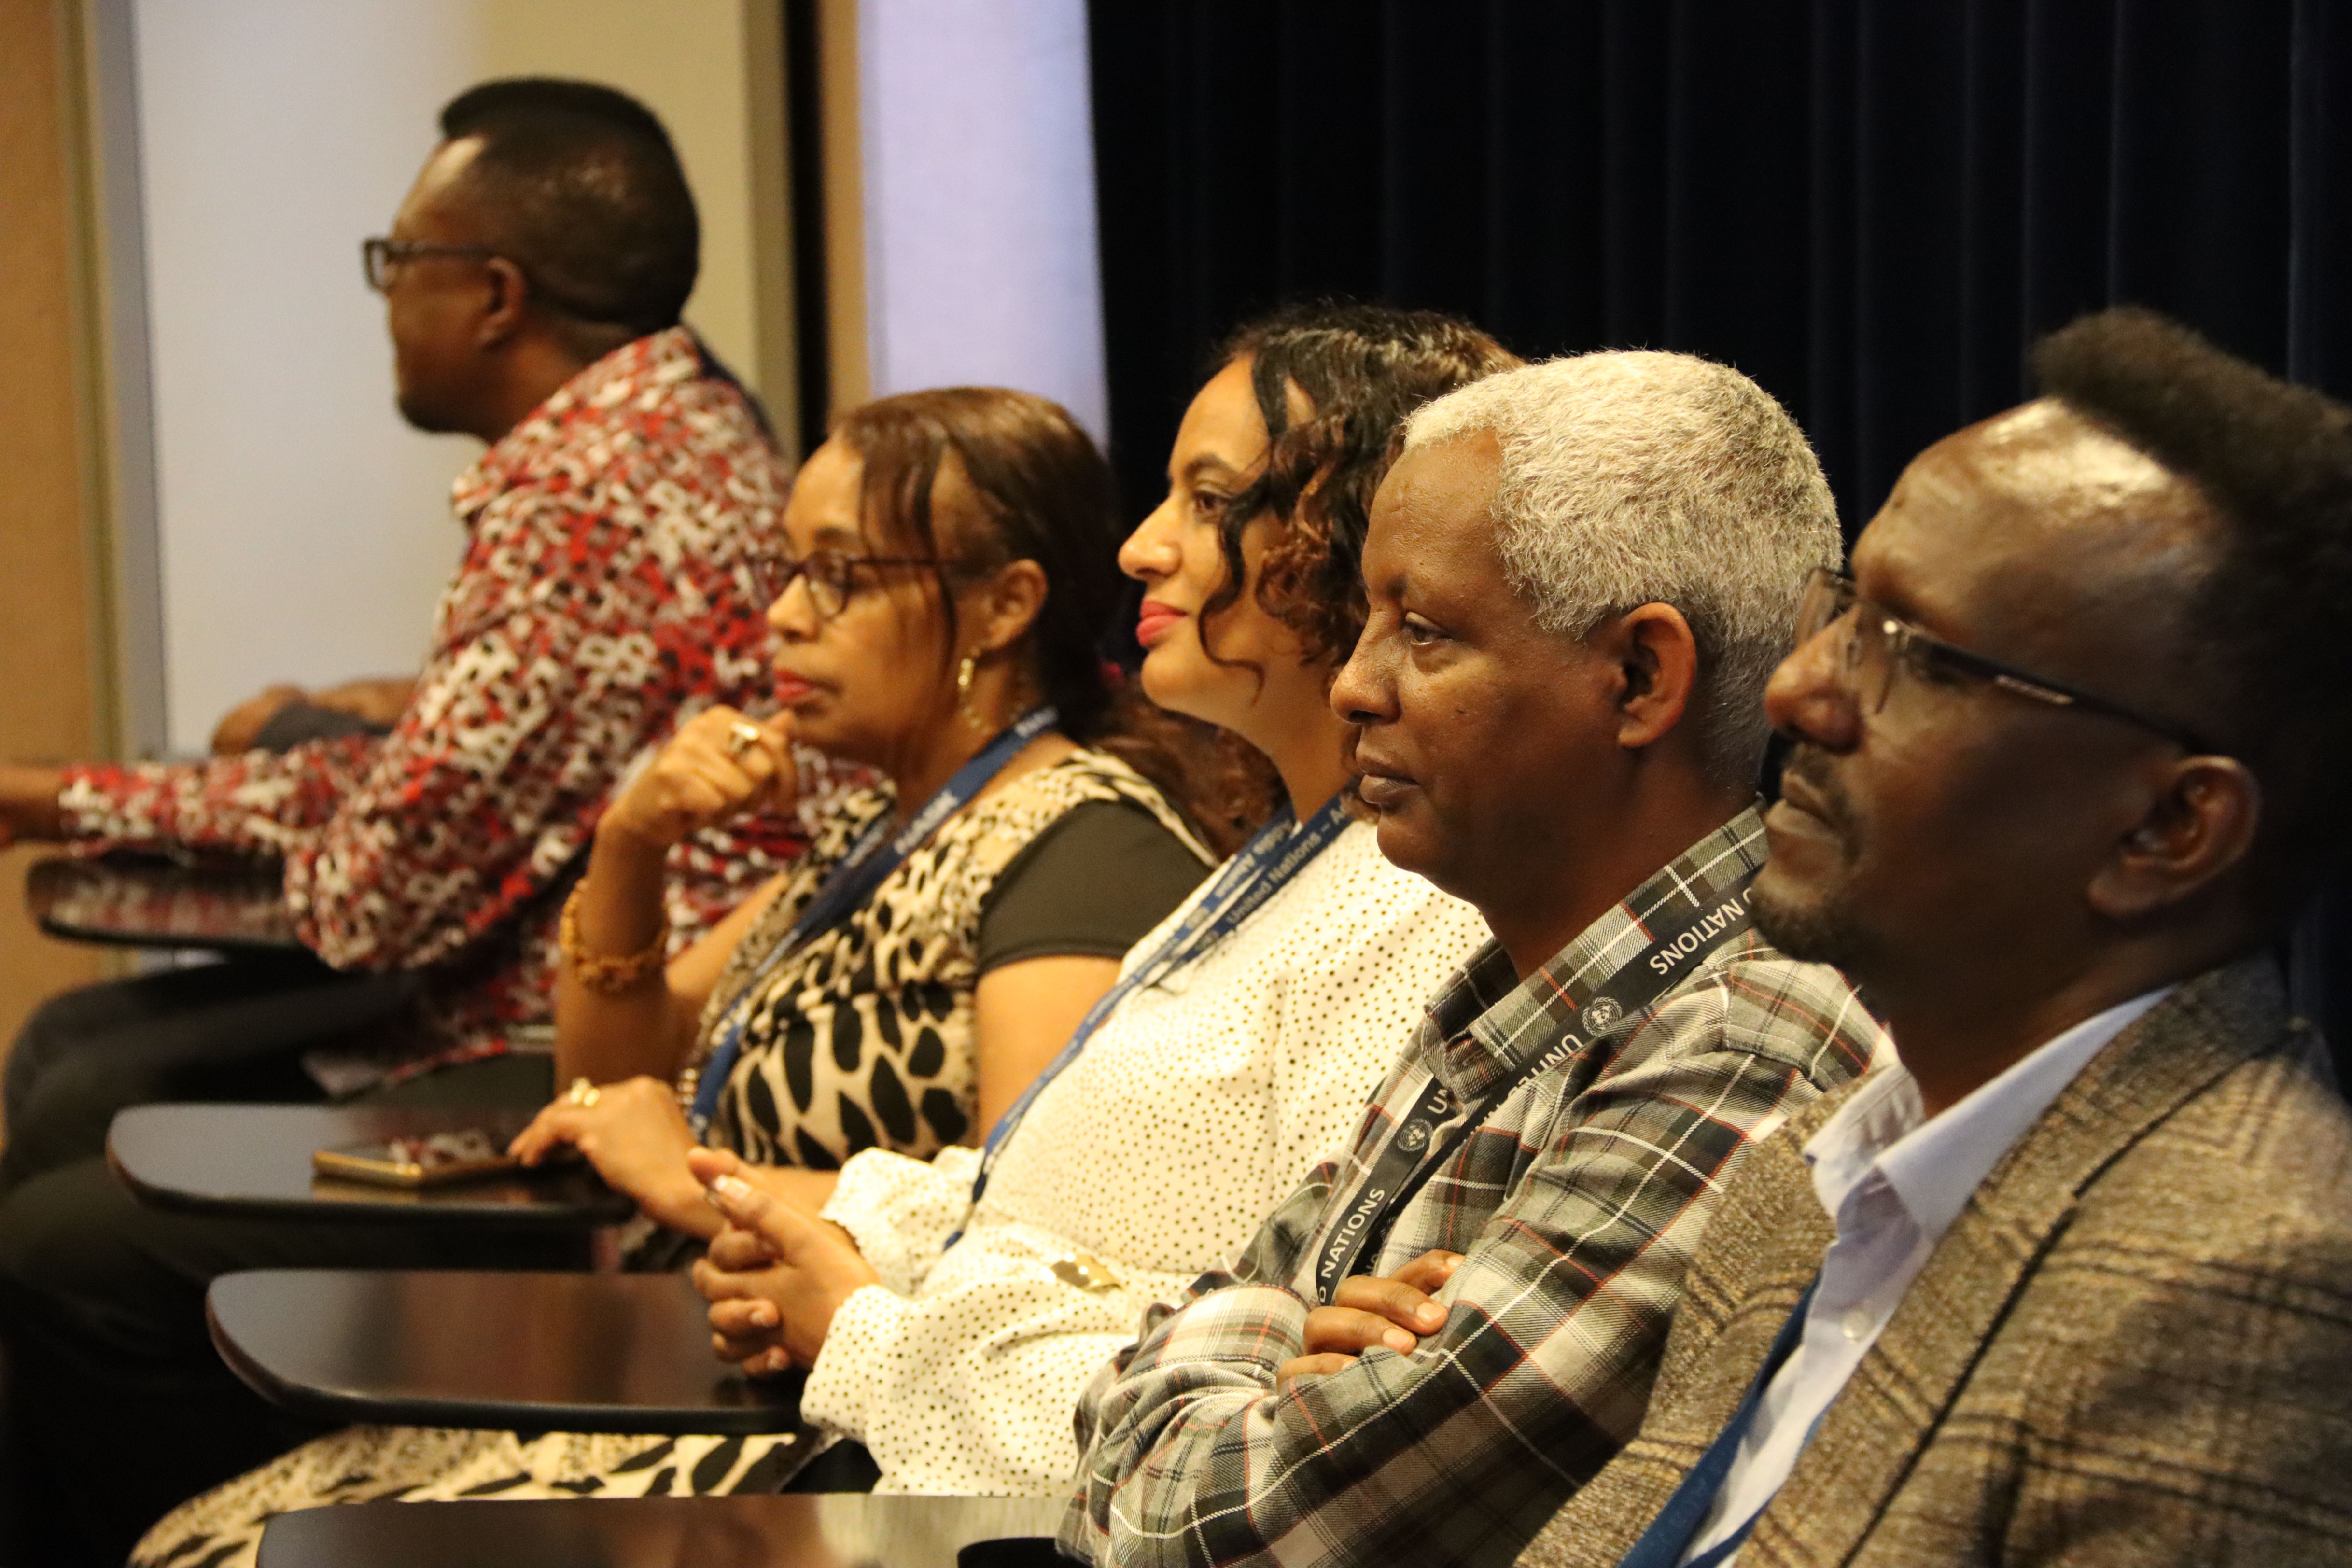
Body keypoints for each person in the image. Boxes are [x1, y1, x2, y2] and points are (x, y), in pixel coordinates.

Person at [131, 304, 1515, 1565]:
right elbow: (983, 1195)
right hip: (868, 1392)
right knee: (218, 1527)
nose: (1144, 546)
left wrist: (806, 1269)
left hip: (945, 1476)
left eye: (839, 577)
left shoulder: (1134, 855)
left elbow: (1272, 1362)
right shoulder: (1209, 852)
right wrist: (632, 847)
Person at [16, 383, 1219, 1568]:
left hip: (815, 1433)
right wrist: (631, 845)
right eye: (785, 574)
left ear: (1004, 606)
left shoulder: (1077, 849)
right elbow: (601, 1084)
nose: (783, 621)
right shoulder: (883, 822)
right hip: (681, 1346)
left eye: (839, 578)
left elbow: (1024, 1244)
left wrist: (703, 1182)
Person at [1512, 308, 2352, 1568]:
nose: (1798, 688)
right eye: (1846, 612)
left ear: (2169, 829)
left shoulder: (2251, 1289)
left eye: (1916, 655)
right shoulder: (1819, 1173)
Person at [1062, 352, 1892, 1568]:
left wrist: (1243, 1352)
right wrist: (1281, 1339)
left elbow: (1222, 1536)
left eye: (1425, 631)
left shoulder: (1742, 1045)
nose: (1351, 683)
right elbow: (1221, 1331)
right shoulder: (1515, 989)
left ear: (1639, 678)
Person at [0, 78, 807, 1193]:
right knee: (73, 1060)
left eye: (399, 259)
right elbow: (428, 793)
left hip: (585, 1043)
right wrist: (75, 796)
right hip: (539, 977)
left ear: (493, 296)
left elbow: (373, 896)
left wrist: (79, 798)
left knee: (77, 1134)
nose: (385, 300)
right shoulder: (679, 420)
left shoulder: (586, 502)